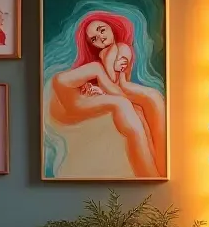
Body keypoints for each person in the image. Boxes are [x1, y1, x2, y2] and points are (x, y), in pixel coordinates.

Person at [46, 11, 166, 179]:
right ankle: (151, 171)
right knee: (125, 104)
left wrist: (111, 82)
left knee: (133, 108)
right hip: (66, 91)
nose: (100, 39)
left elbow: (115, 83)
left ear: (112, 27)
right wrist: (108, 84)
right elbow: (112, 83)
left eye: (102, 30)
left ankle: (153, 170)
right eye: (94, 39)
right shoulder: (102, 59)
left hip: (73, 95)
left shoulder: (118, 50)